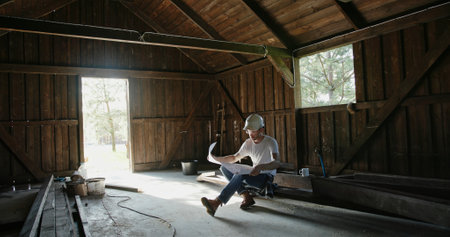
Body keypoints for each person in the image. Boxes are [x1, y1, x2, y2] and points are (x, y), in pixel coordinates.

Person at [201, 113, 280, 217]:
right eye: (248, 131)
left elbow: (277, 163)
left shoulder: (270, 142)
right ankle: (247, 196)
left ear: (261, 129)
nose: (250, 134)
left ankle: (217, 202)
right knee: (224, 168)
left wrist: (261, 167)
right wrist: (215, 158)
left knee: (239, 174)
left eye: (253, 131)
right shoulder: (248, 143)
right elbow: (234, 158)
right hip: (253, 173)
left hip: (265, 177)